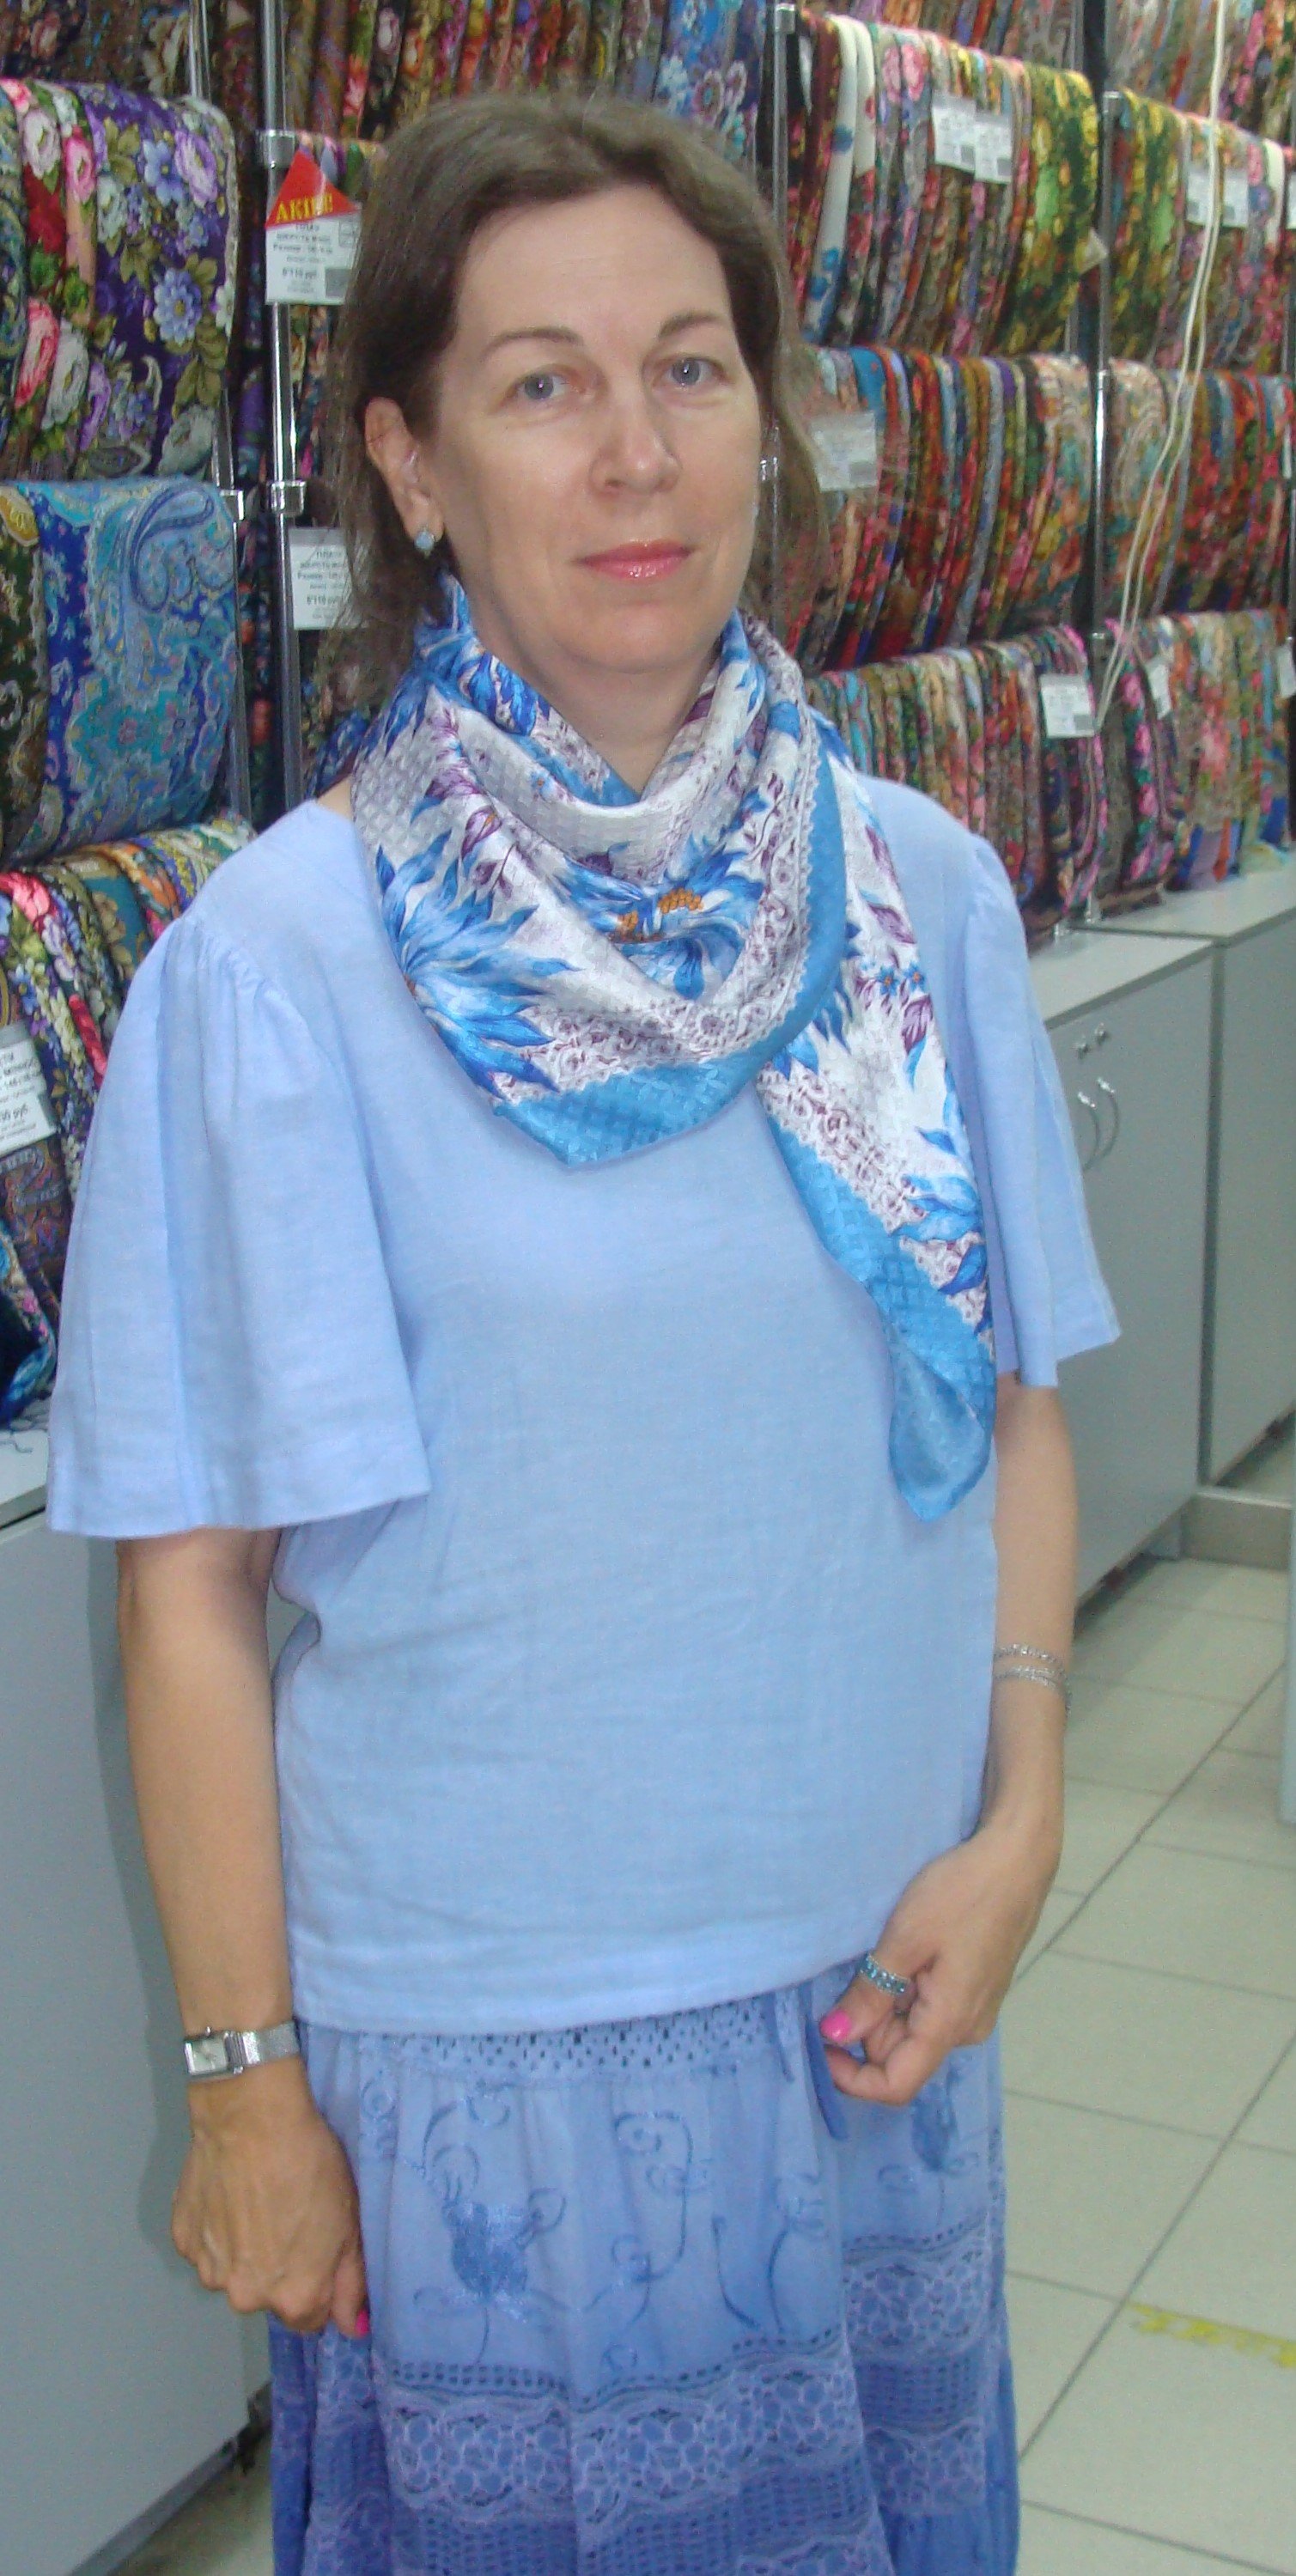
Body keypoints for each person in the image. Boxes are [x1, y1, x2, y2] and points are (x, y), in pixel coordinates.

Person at [48, 92, 1117, 2576]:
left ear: (768, 414)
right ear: (413, 470)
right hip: (494, 2084)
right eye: (541, 385)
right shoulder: (282, 969)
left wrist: (1024, 1818)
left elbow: (1014, 1399)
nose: (637, 454)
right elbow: (192, 1595)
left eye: (690, 367)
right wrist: (245, 2086)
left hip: (880, 2003)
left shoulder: (919, 898)